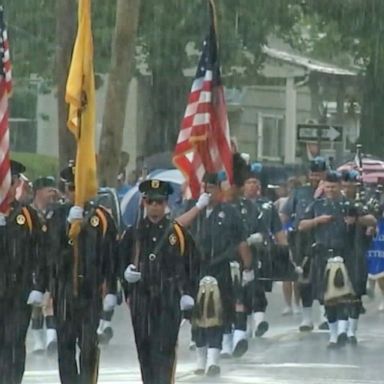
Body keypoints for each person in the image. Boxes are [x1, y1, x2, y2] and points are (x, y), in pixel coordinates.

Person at [121, 179, 200, 384]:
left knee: (164, 351)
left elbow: (193, 264)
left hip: (168, 297)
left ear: (166, 203)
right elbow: (118, 261)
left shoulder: (178, 233)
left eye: (159, 202)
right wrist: (125, 275)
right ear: (144, 203)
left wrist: (188, 293)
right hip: (141, 299)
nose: (154, 206)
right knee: (144, 351)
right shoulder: (133, 233)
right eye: (150, 201)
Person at [49, 163, 118, 384]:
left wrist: (111, 290)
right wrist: (68, 227)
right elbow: (50, 253)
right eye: (71, 187)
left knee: (89, 345)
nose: (74, 193)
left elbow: (111, 256)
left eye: (79, 187)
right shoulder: (57, 216)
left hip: (90, 291)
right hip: (65, 291)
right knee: (66, 347)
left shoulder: (102, 218)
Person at [179, 172, 253, 375]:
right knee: (196, 316)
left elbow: (241, 242)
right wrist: (198, 207)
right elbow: (177, 227)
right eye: (205, 188)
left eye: (211, 188)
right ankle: (200, 361)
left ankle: (213, 360)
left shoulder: (230, 213)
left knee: (217, 314)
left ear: (220, 190)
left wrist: (248, 268)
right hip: (196, 269)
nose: (207, 192)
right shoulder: (194, 210)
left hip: (220, 269)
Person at [298, 171, 376, 347]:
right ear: (323, 186)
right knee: (328, 299)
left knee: (345, 297)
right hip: (323, 255)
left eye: (334, 186)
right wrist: (318, 220)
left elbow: (371, 220)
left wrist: (356, 219)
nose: (330, 190)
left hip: (346, 255)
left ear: (340, 187)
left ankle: (344, 331)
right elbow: (302, 225)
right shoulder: (316, 205)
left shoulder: (349, 205)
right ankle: (334, 335)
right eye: (327, 186)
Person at [0, 160, 46, 384]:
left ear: (16, 183)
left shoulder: (27, 216)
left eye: (8, 181)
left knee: (13, 342)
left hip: (18, 292)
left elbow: (41, 253)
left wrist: (39, 287)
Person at [280, 156, 328, 331]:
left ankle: (324, 315)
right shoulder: (300, 192)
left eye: (320, 174)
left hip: (324, 237)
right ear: (309, 174)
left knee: (324, 277)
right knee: (304, 279)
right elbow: (285, 214)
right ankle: (307, 318)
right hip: (302, 239)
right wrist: (284, 231)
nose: (316, 178)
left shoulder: (330, 191)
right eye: (314, 174)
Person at [242, 163, 288, 337]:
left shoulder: (267, 205)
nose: (254, 185)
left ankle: (259, 321)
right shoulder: (236, 205)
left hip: (262, 252)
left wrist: (284, 252)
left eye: (256, 182)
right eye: (250, 182)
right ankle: (244, 325)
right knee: (242, 289)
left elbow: (277, 230)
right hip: (240, 251)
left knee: (258, 285)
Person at [29, 176, 58, 354]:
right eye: (49, 190)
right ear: (38, 192)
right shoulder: (28, 213)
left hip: (52, 261)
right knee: (35, 306)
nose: (52, 194)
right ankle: (38, 340)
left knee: (50, 300)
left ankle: (51, 338)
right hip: (32, 262)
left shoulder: (56, 212)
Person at [275, 177, 302, 316]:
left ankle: (297, 304)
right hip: (285, 236)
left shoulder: (302, 202)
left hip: (297, 237)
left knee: (295, 274)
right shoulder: (282, 201)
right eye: (290, 188)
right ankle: (287, 305)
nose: (292, 190)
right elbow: (277, 217)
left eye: (295, 188)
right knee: (286, 274)